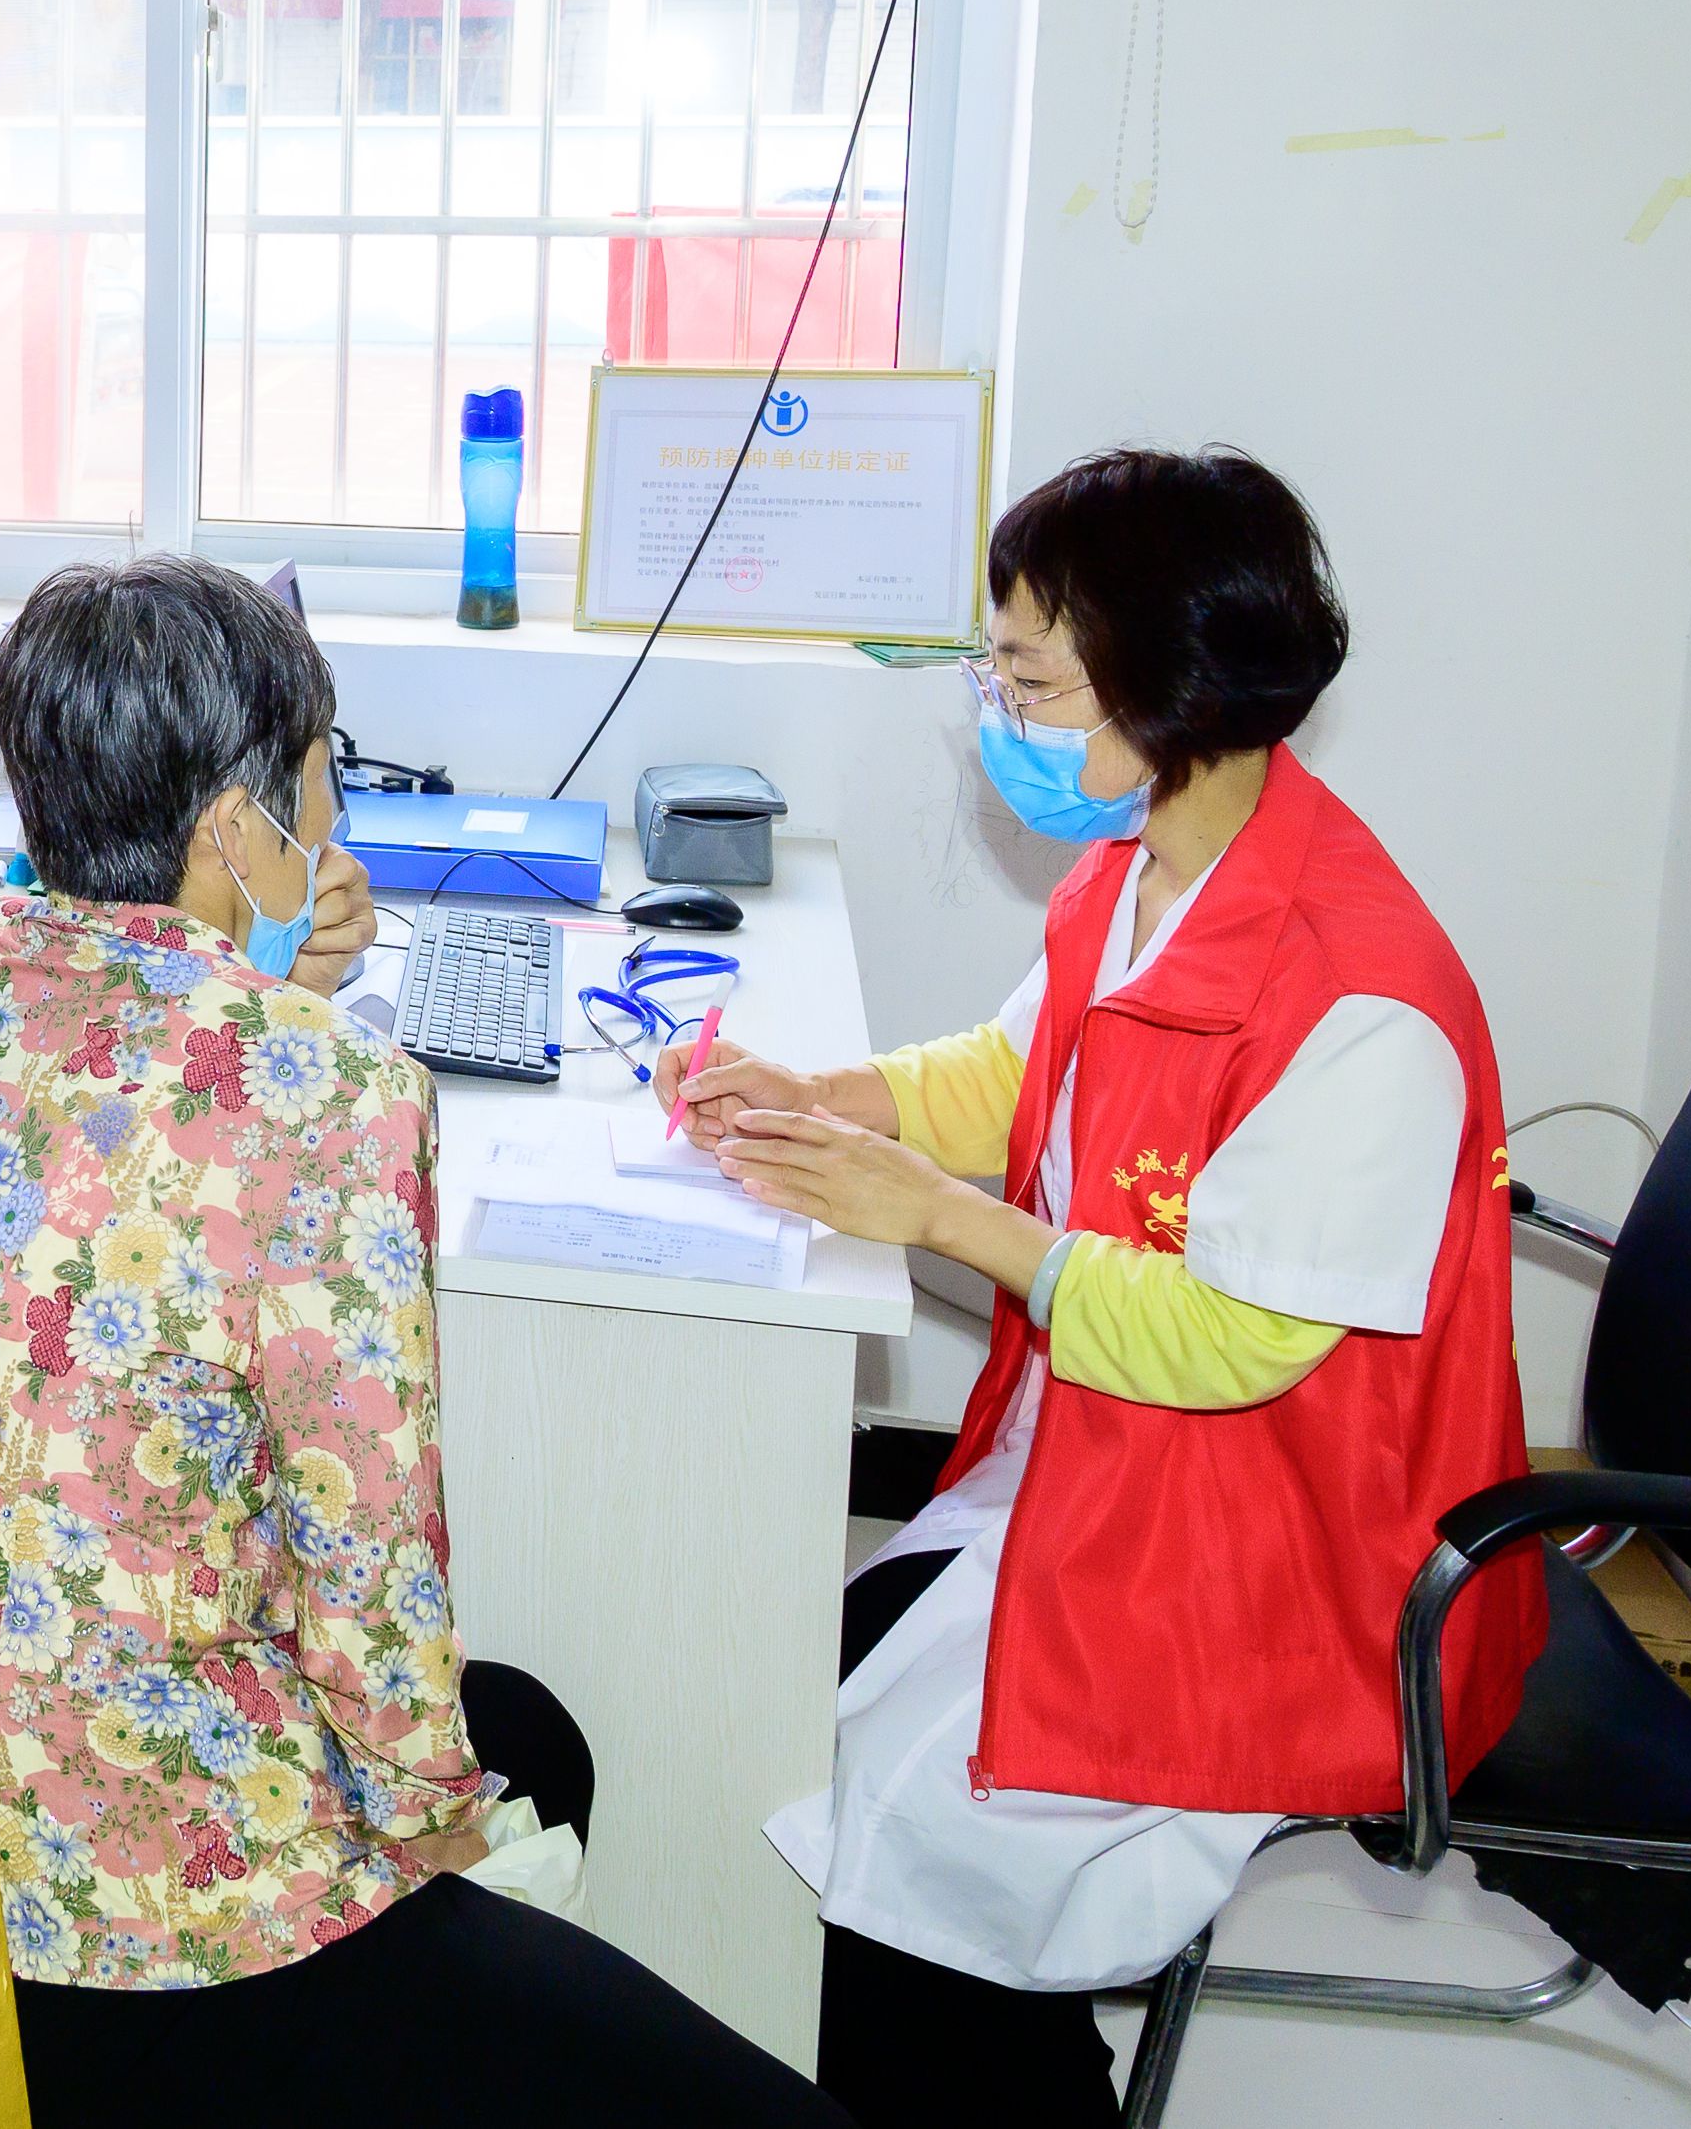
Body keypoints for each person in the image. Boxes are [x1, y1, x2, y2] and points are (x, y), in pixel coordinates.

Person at [0, 556, 846, 2126]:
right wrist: (447, 1841)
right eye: (320, 788)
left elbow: (146, 1098)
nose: (335, 827)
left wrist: (267, 987)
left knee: (534, 1735)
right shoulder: (326, 1093)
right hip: (159, 1946)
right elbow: (365, 1564)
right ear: (234, 830)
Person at [656, 451, 1541, 2127]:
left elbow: (1227, 1346)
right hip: (1117, 1469)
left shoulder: (1357, 997)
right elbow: (1016, 1073)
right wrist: (821, 1098)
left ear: (1170, 685)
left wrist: (941, 1218)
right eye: (996, 671)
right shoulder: (1148, 871)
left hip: (1288, 1563)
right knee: (792, 1719)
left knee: (899, 1873)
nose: (1000, 715)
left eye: (1031, 681)